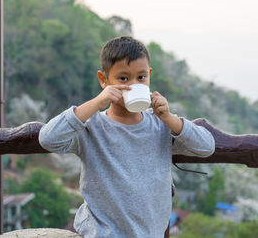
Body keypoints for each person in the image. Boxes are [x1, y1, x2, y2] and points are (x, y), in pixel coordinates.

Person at [38, 36, 215, 238]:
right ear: (104, 80)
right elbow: (48, 138)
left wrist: (169, 117)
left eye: (141, 78)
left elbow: (206, 146)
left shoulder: (160, 124)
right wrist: (96, 103)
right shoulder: (91, 127)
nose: (133, 85)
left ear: (149, 76)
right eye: (123, 79)